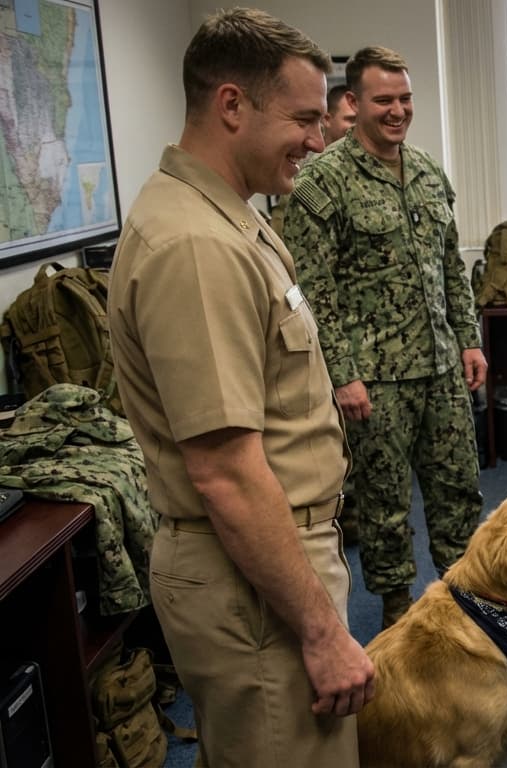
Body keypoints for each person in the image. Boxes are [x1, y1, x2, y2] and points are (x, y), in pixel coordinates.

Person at [106, 9, 374, 766]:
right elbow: (225, 471)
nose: (319, 141)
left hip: (271, 565)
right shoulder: (196, 246)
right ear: (232, 105)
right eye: (304, 119)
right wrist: (321, 630)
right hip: (254, 585)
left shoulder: (229, 221)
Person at [281, 45, 486, 629]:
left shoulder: (427, 171)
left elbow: (450, 267)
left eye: (405, 98)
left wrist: (469, 339)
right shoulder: (323, 180)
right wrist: (342, 375)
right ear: (353, 101)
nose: (398, 111)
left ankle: (468, 598)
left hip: (441, 367)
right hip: (375, 378)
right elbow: (313, 290)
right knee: (384, 504)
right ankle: (398, 610)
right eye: (384, 100)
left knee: (458, 489)